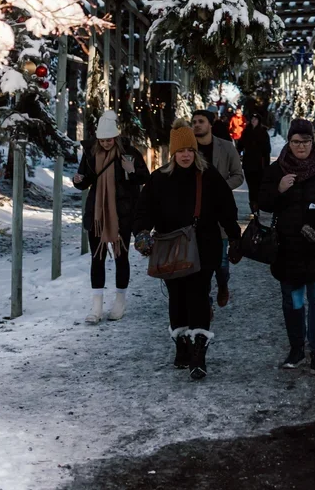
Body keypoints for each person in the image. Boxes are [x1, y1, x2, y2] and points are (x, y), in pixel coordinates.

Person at [133, 123, 241, 380]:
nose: (185, 155)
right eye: (180, 151)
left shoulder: (209, 176)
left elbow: (227, 208)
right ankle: (182, 347)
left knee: (199, 298)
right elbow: (143, 210)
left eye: (189, 150)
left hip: (204, 249)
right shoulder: (159, 179)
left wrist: (235, 238)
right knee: (177, 298)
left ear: (195, 151)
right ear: (173, 153)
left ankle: (198, 355)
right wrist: (141, 234)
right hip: (170, 250)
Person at [259, 118, 315, 377]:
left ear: (312, 141)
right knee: (294, 301)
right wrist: (278, 189)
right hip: (288, 248)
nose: (301, 146)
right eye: (296, 142)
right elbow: (263, 203)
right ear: (289, 142)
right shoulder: (277, 170)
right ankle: (296, 349)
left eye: (306, 141)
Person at [73, 109, 149, 324]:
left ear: (116, 137)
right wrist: (78, 180)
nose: (106, 143)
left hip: (122, 214)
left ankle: (119, 301)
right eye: (103, 140)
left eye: (110, 140)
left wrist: (131, 170)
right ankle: (96, 306)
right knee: (97, 259)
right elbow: (85, 182)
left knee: (120, 257)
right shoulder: (89, 154)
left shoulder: (129, 153)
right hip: (97, 215)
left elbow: (145, 178)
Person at [190, 109, 244, 307]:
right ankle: (204, 302)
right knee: (197, 266)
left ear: (210, 124)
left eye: (201, 121)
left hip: (219, 213)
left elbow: (238, 175)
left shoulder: (226, 147)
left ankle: (223, 285)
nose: (196, 125)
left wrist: (220, 188)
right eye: (194, 121)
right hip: (194, 214)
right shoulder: (188, 148)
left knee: (220, 264)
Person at [238, 112, 272, 213]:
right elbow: (240, 144)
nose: (253, 121)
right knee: (251, 186)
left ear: (259, 121)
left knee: (258, 186)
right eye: (252, 119)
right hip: (248, 163)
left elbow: (267, 150)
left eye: (255, 119)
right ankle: (253, 205)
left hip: (259, 164)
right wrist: (239, 153)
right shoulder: (246, 132)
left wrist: (266, 165)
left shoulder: (263, 132)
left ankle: (258, 204)